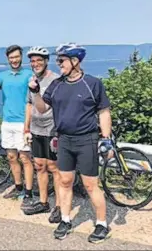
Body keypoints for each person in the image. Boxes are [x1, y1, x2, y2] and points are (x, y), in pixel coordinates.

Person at [29, 43, 113, 243]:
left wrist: (106, 139)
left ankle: (102, 224)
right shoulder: (57, 84)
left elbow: (104, 112)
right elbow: (41, 109)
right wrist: (35, 92)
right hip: (64, 140)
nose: (59, 65)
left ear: (75, 61)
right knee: (65, 181)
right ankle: (65, 220)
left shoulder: (92, 84)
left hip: (87, 139)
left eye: (62, 61)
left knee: (91, 184)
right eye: (58, 61)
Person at [0, 45, 35, 208]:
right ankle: (18, 186)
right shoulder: (3, 76)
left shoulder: (29, 74)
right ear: (7, 59)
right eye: (11, 58)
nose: (14, 60)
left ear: (21, 57)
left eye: (16, 57)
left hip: (23, 122)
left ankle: (29, 192)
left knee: (25, 158)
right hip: (7, 122)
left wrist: (28, 125)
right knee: (11, 157)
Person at [22, 46, 61, 222]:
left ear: (46, 61)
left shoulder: (56, 80)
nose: (35, 64)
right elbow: (29, 105)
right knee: (39, 165)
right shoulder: (32, 80)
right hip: (36, 129)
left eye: (39, 60)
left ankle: (60, 206)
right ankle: (44, 202)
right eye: (33, 61)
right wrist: (26, 128)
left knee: (54, 168)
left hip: (52, 129)